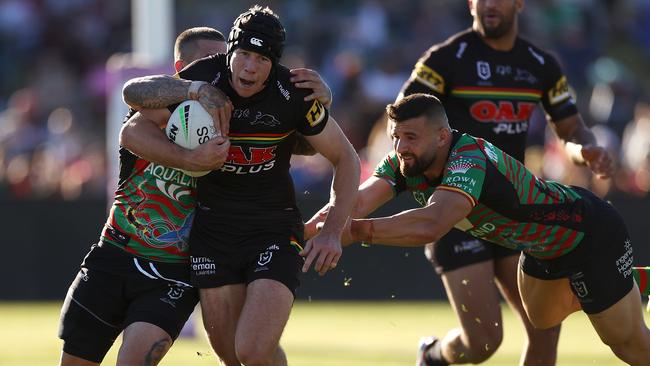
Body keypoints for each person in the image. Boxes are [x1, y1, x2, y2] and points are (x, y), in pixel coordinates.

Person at [58, 25, 335, 366]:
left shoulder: (233, 119)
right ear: (181, 71)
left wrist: (321, 102)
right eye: (209, 62)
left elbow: (301, 139)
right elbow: (130, 101)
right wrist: (193, 115)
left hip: (174, 273)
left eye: (225, 60)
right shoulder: (153, 112)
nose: (222, 71)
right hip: (114, 255)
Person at [120, 6, 360, 366]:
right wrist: (185, 157)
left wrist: (332, 231)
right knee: (233, 355)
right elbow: (132, 129)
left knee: (251, 348)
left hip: (273, 229)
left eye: (261, 58)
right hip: (213, 233)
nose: (249, 67)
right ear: (230, 51)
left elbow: (347, 158)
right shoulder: (202, 78)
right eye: (244, 54)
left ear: (274, 62)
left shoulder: (292, 93)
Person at [340, 93, 650, 366]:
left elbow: (430, 225)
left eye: (410, 137)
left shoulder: (467, 158)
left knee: (629, 347)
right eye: (397, 137)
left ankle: (616, 283)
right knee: (542, 318)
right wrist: (301, 234)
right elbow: (351, 205)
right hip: (541, 247)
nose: (400, 147)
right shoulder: (406, 160)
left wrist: (356, 232)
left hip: (588, 232)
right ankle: (631, 281)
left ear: (441, 136)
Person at [392, 0, 614, 364]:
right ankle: (433, 357)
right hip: (457, 210)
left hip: (511, 209)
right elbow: (400, 119)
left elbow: (570, 128)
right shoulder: (445, 58)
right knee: (483, 342)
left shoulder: (540, 65)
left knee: (545, 325)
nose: (489, 4)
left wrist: (586, 150)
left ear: (519, 3)